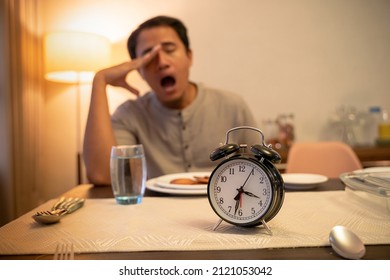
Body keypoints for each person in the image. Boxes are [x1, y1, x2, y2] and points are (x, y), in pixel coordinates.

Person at [83, 15, 258, 184]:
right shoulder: (129, 114)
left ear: (189, 56)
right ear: (139, 71)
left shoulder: (232, 105)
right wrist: (100, 81)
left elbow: (261, 170)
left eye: (169, 50)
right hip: (153, 211)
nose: (162, 62)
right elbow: (102, 175)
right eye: (148, 56)